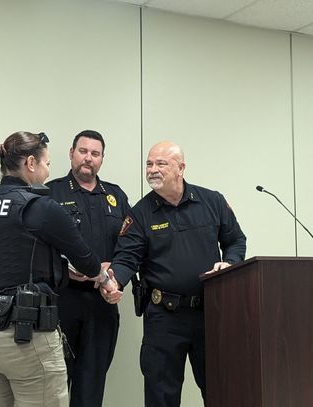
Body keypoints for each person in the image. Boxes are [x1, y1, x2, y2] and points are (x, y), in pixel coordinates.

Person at [0, 131, 120, 407]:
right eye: (46, 163)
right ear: (30, 163)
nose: (48, 172)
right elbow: (85, 259)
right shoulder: (40, 206)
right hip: (20, 333)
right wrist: (104, 278)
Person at [105, 140, 246, 407]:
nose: (152, 170)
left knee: (222, 388)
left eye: (161, 163)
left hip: (211, 314)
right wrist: (115, 281)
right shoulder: (140, 214)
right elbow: (126, 257)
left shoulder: (211, 201)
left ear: (181, 168)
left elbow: (236, 240)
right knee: (161, 395)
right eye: (149, 163)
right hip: (164, 319)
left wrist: (229, 262)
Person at [46, 130, 129, 407]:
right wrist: (65, 268)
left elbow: (130, 246)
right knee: (54, 382)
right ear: (71, 153)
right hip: (62, 300)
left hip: (101, 301)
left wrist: (115, 274)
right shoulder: (51, 192)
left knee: (92, 384)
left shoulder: (116, 196)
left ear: (102, 159)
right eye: (83, 151)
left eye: (95, 154)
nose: (88, 158)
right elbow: (36, 246)